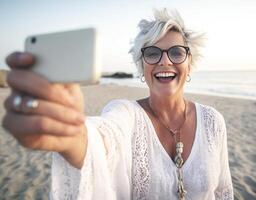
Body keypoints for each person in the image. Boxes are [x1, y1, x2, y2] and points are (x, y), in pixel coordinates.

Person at [3, 8, 233, 200]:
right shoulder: (126, 113)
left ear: (189, 63)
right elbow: (102, 139)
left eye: (176, 52)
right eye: (152, 53)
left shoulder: (213, 121)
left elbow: (223, 191)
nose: (165, 61)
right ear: (141, 66)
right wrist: (72, 135)